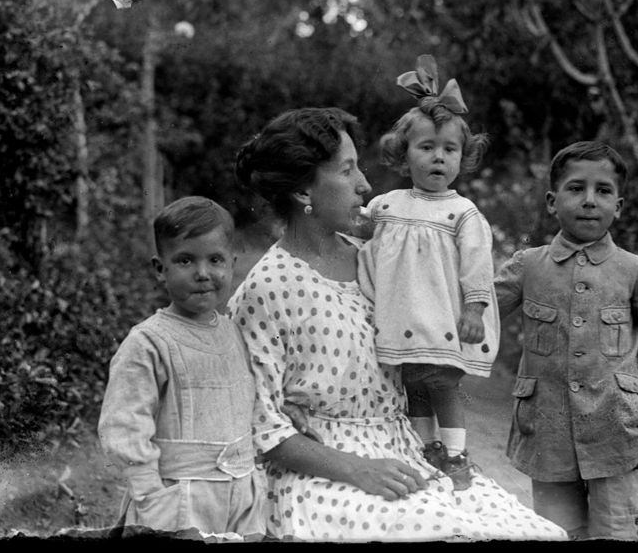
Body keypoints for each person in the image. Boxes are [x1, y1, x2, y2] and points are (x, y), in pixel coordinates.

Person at [228, 106, 567, 542]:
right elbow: (262, 427)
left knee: (533, 533)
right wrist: (359, 469)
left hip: (410, 452)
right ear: (302, 193)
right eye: (347, 171)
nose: (365, 185)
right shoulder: (268, 288)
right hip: (332, 475)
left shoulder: (377, 258)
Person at [493, 141, 638, 540]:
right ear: (551, 201)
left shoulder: (636, 271)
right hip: (546, 430)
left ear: (619, 205)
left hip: (618, 432)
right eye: (576, 189)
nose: (590, 201)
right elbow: (478, 309)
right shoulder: (528, 266)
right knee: (557, 532)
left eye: (603, 191)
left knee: (616, 532)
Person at [357, 54, 499, 491]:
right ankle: (421, 449)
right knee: (414, 384)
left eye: (449, 150)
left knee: (442, 383)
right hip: (402, 316)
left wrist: (474, 311)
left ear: (463, 157)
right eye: (427, 147)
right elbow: (361, 234)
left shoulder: (462, 213)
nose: (438, 158)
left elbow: (477, 266)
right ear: (404, 154)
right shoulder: (387, 205)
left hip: (443, 317)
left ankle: (455, 454)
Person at [98, 196, 264, 539]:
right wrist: (155, 503)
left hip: (241, 495)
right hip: (180, 503)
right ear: (161, 268)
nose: (203, 274)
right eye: (186, 260)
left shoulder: (234, 331)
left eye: (215, 260)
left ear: (232, 263)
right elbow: (124, 427)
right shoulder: (149, 342)